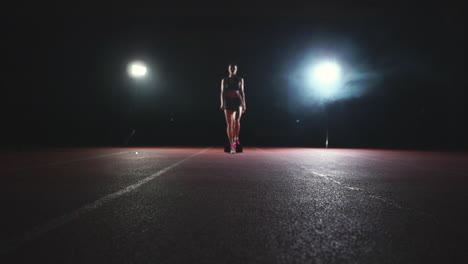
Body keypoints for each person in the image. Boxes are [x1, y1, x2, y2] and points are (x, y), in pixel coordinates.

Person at [220, 64, 246, 154]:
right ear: (228, 69)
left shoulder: (240, 79)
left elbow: (242, 92)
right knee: (229, 124)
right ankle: (232, 145)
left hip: (238, 101)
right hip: (228, 102)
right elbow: (222, 92)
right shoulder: (224, 80)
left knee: (237, 121)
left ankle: (236, 138)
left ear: (236, 69)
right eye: (230, 68)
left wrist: (244, 103)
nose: (232, 69)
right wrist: (222, 103)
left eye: (234, 68)